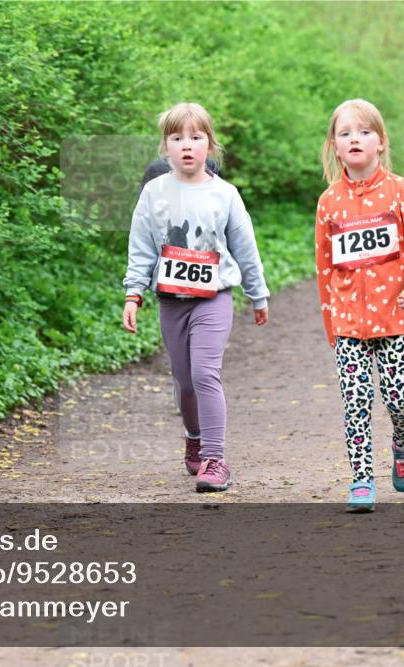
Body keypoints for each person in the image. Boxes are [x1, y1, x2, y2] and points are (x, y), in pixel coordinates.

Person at [122, 102, 269, 493]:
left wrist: (258, 294)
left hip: (213, 298)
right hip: (171, 301)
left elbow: (245, 247)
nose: (187, 145)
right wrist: (133, 294)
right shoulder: (154, 193)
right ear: (165, 147)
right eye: (177, 138)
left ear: (210, 144)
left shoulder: (225, 194)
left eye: (196, 137)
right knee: (185, 381)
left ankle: (215, 459)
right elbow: (141, 247)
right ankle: (194, 435)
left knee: (206, 373)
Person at [314, 99, 404, 512]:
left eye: (365, 131)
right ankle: (362, 479)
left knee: (400, 400)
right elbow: (325, 267)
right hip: (349, 322)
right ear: (334, 145)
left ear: (381, 143)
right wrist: (332, 322)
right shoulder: (329, 202)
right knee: (355, 402)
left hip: (395, 318)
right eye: (346, 132)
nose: (355, 139)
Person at [138, 156, 221, 417]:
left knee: (204, 356)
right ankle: (185, 388)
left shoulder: (211, 166)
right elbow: (143, 225)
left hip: (205, 271)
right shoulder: (155, 173)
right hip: (170, 278)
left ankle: (203, 385)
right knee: (180, 353)